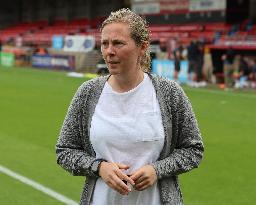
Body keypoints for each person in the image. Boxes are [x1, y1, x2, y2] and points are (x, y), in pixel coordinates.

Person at [56, 8, 204, 205]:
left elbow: (193, 149)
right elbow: (65, 150)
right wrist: (99, 168)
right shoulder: (88, 93)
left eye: (118, 43)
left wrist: (157, 170)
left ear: (142, 47)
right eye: (105, 43)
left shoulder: (169, 93)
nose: (109, 51)